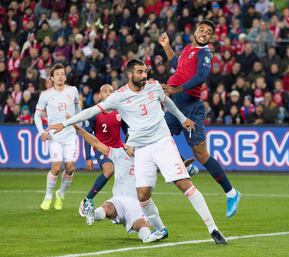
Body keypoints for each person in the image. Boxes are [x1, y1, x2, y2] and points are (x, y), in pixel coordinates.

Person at [49, 59, 226, 244]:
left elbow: (168, 103)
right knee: (142, 194)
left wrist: (182, 119)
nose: (144, 75)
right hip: (141, 149)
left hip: (162, 142)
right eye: (140, 72)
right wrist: (65, 123)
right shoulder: (119, 96)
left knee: (183, 183)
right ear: (130, 74)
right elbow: (91, 111)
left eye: (145, 71)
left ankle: (213, 229)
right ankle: (160, 229)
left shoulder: (154, 86)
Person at [158, 19, 240, 218]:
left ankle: (232, 193)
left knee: (202, 154)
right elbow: (179, 66)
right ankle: (187, 166)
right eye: (201, 29)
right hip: (174, 105)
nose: (204, 33)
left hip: (192, 107)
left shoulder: (206, 53)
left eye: (208, 32)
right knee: (159, 137)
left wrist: (176, 89)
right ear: (195, 31)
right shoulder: (188, 48)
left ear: (211, 38)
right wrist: (167, 47)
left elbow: (202, 76)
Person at [73, 123, 153, 242]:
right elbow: (96, 143)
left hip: (137, 203)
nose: (136, 147)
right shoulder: (118, 153)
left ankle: (147, 238)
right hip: (119, 200)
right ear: (126, 145)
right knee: (108, 208)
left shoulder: (147, 159)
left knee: (142, 226)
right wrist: (80, 129)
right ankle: (92, 215)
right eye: (134, 144)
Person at [34, 63, 81, 210]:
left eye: (62, 73)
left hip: (70, 135)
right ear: (52, 78)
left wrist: (77, 121)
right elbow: (36, 115)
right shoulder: (46, 95)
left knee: (70, 167)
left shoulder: (73, 91)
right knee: (56, 165)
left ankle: (60, 194)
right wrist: (42, 132)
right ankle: (48, 196)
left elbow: (79, 110)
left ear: (65, 77)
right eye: (57, 74)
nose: (60, 76)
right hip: (54, 135)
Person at [78, 84, 127, 224]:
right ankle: (87, 200)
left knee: (125, 177)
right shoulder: (94, 112)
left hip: (118, 149)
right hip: (102, 149)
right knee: (109, 169)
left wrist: (129, 145)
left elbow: (128, 131)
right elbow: (87, 136)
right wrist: (88, 157)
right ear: (100, 96)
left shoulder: (120, 111)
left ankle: (120, 208)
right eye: (105, 91)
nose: (108, 93)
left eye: (111, 91)